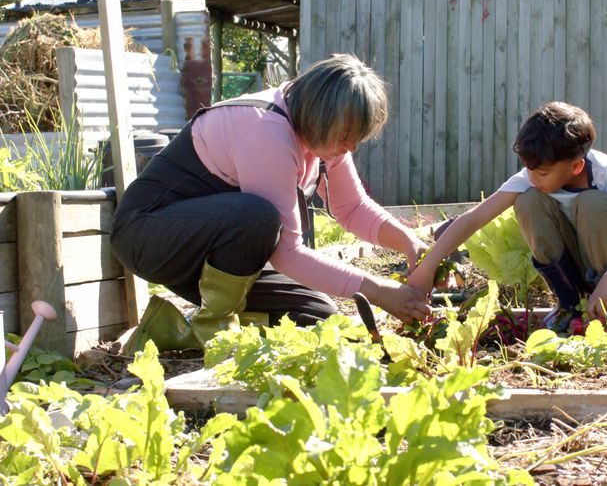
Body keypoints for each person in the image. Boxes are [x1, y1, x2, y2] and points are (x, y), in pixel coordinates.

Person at [111, 54, 430, 351]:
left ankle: (168, 328)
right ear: (320, 115)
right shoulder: (267, 130)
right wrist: (378, 290)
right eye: (346, 136)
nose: (351, 148)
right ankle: (215, 332)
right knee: (257, 216)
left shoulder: (322, 136)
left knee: (317, 315)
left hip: (214, 252)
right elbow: (287, 254)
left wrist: (410, 243)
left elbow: (352, 208)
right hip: (149, 236)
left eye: (357, 138)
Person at [408, 101, 607, 340]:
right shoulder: (533, 176)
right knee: (527, 200)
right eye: (528, 169)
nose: (532, 177)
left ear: (575, 167)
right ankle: (570, 305)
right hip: (572, 267)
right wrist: (428, 266)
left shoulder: (606, 173)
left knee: (593, 203)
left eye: (541, 172)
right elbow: (474, 218)